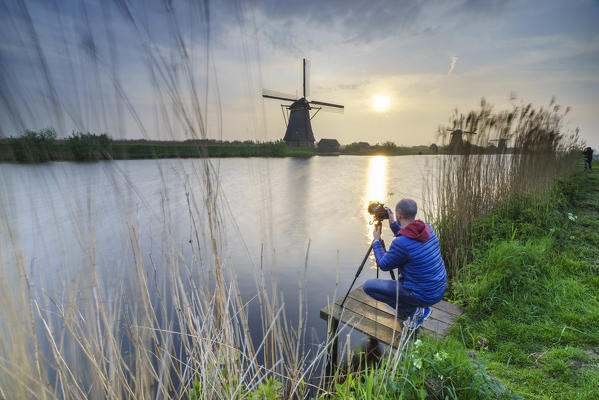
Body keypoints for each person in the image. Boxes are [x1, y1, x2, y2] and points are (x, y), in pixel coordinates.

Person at [363, 199, 447, 329]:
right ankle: (415, 309)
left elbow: (384, 264)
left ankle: (414, 311)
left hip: (423, 296)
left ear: (398, 215)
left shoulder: (401, 243)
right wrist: (393, 225)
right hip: (439, 289)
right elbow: (409, 239)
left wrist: (376, 242)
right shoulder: (428, 228)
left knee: (368, 286)